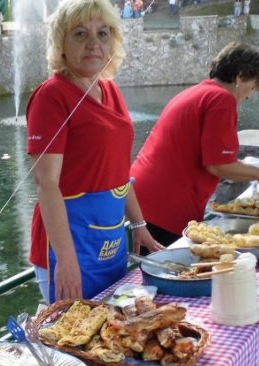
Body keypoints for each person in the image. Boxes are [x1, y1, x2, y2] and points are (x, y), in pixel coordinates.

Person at [26, 0, 160, 304]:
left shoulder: (110, 89)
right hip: (69, 246)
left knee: (117, 326)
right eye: (80, 34)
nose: (93, 43)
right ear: (61, 42)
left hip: (110, 241)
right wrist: (66, 260)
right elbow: (46, 183)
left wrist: (138, 224)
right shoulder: (51, 96)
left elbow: (120, 171)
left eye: (102, 33)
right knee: (75, 330)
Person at [131, 43, 259, 247]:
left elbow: (217, 158)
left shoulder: (197, 91)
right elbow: (218, 165)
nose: (249, 96)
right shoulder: (222, 100)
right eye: (252, 87)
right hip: (164, 208)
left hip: (141, 199)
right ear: (240, 78)